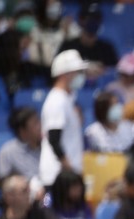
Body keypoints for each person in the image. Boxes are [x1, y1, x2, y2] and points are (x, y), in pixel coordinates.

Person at [39, 48, 88, 188]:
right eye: (78, 72)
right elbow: (54, 139)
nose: (81, 76)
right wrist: (70, 169)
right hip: (59, 177)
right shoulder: (57, 100)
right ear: (64, 74)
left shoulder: (67, 99)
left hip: (67, 176)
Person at [84, 90, 134, 154]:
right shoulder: (92, 133)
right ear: (103, 109)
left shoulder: (132, 128)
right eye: (112, 105)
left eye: (117, 103)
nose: (117, 107)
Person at [0, 105, 42, 180]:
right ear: (23, 131)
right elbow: (4, 183)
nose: (40, 126)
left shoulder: (49, 146)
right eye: (35, 124)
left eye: (39, 121)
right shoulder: (8, 152)